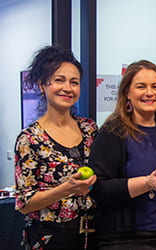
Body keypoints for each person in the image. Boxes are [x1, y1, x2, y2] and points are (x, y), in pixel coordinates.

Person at [88, 60, 156, 250]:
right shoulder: (113, 132)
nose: (149, 93)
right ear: (127, 93)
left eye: (155, 86)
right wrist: (147, 183)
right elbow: (98, 188)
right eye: (141, 86)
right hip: (124, 240)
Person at [14, 46, 98, 250]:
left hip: (93, 233)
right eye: (59, 80)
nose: (68, 88)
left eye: (74, 82)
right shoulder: (29, 138)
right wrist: (66, 189)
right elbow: (24, 204)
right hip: (51, 237)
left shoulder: (90, 129)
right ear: (43, 85)